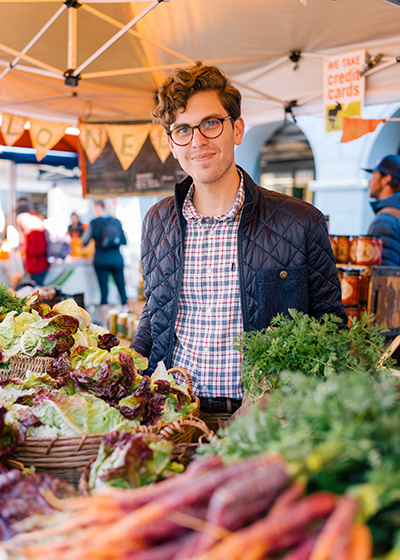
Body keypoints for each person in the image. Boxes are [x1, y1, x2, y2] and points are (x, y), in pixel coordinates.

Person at [130, 65, 347, 429]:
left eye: (210, 124)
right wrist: (126, 375)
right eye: (183, 130)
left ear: (237, 129)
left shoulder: (300, 221)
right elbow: (154, 317)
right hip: (173, 417)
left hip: (267, 422)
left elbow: (331, 326)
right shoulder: (157, 221)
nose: (197, 140)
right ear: (171, 144)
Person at [82, 200, 128, 326]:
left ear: (98, 206)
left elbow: (84, 241)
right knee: (122, 288)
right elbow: (124, 240)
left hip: (101, 260)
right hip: (117, 259)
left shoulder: (94, 223)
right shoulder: (116, 221)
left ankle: (105, 324)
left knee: (104, 291)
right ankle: (126, 320)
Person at [364, 154, 400, 266]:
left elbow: (385, 275)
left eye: (374, 176)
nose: (370, 181)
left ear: (386, 179)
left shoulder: (385, 220)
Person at [16, 198, 50, 286]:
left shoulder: (33, 224)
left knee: (38, 292)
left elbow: (39, 248)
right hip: (35, 265)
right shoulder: (31, 223)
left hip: (38, 266)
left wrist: (25, 248)